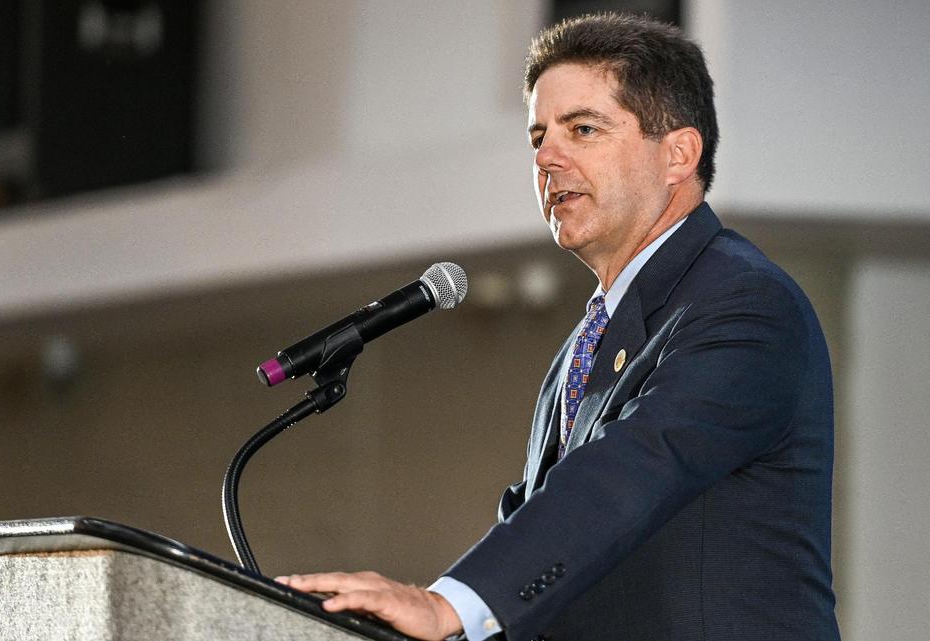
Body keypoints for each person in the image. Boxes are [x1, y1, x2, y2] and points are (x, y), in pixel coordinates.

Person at [277, 13, 840, 641]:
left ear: (678, 154)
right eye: (539, 135)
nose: (547, 157)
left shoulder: (746, 303)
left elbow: (635, 467)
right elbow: (547, 539)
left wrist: (446, 607)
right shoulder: (584, 346)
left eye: (584, 129)